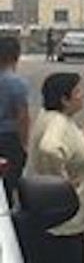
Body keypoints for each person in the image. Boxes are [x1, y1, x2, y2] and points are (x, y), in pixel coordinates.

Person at [27, 72, 84, 263]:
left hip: (53, 218)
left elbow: (63, 146)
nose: (83, 95)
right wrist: (61, 182)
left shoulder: (51, 116)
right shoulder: (58, 123)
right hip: (63, 224)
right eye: (77, 91)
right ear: (64, 99)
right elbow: (49, 148)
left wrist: (83, 139)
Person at [0, 35, 30, 203]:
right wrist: (24, 144)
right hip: (9, 139)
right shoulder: (18, 83)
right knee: (9, 181)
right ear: (16, 56)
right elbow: (22, 116)